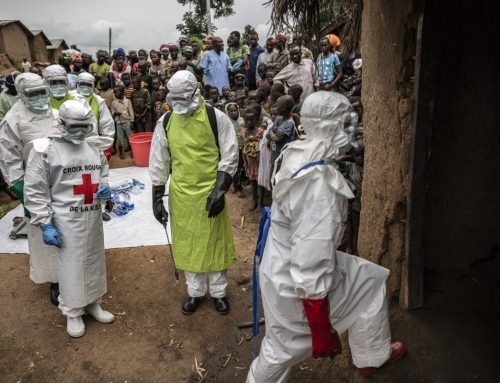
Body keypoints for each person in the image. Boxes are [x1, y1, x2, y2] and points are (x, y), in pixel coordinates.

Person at [247, 92, 406, 381]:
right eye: (347, 125)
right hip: (297, 280)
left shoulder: (297, 152)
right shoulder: (319, 186)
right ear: (331, 127)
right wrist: (320, 326)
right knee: (281, 350)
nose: (353, 132)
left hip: (279, 262)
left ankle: (373, 353)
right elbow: (312, 258)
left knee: (368, 281)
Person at [149, 70, 238, 315]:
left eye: (182, 98)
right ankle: (195, 292)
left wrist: (220, 190)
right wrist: (157, 197)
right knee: (188, 243)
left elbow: (230, 154)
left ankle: (218, 292)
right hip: (182, 194)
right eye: (173, 99)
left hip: (211, 190)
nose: (177, 104)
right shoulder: (165, 122)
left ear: (195, 94)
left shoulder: (215, 117)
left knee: (215, 242)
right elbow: (159, 160)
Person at [24, 100, 115, 338]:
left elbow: (102, 171)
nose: (79, 132)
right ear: (61, 123)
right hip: (65, 219)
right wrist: (44, 222)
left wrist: (104, 187)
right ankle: (73, 311)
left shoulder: (92, 146)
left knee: (94, 260)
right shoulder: (46, 149)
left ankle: (93, 302)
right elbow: (35, 189)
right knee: (71, 265)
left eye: (84, 126)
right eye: (74, 126)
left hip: (92, 215)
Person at [0, 72, 60, 304]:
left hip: (62, 182)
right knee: (45, 236)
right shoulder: (13, 122)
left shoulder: (55, 114)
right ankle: (55, 280)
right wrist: (26, 194)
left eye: (41, 91)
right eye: (32, 94)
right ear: (22, 95)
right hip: (35, 187)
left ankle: (73, 272)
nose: (38, 97)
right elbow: (10, 161)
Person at [76, 72, 115, 159]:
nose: (85, 87)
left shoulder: (98, 101)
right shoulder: (71, 97)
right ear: (77, 84)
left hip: (93, 142)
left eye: (88, 85)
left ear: (93, 86)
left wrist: (106, 145)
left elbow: (107, 124)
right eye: (83, 84)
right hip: (72, 142)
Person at [241, 106, 265, 211]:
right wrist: (245, 162)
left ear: (257, 120)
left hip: (259, 162)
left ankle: (260, 203)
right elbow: (243, 148)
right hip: (250, 162)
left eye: (251, 120)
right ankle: (254, 201)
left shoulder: (261, 132)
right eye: (247, 120)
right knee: (252, 183)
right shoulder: (243, 132)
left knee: (260, 183)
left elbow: (264, 148)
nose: (249, 122)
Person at [267, 95, 296, 177]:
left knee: (277, 180)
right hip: (274, 156)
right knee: (272, 179)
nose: (276, 107)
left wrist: (272, 134)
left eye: (277, 105)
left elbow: (276, 138)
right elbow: (269, 135)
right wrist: (272, 134)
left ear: (283, 108)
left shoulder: (289, 123)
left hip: (282, 159)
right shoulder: (278, 119)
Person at [225, 102, 245, 197]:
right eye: (231, 111)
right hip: (232, 149)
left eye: (235, 110)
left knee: (241, 168)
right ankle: (236, 188)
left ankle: (239, 185)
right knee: (235, 169)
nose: (233, 113)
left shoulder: (242, 120)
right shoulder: (226, 123)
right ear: (227, 112)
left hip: (243, 148)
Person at [111, 86, 135, 159]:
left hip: (127, 122)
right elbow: (112, 112)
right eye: (114, 93)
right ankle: (121, 153)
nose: (115, 94)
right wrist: (115, 113)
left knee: (130, 138)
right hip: (119, 123)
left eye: (116, 92)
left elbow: (131, 111)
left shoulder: (127, 101)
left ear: (122, 93)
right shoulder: (114, 102)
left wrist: (132, 121)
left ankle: (133, 152)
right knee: (120, 138)